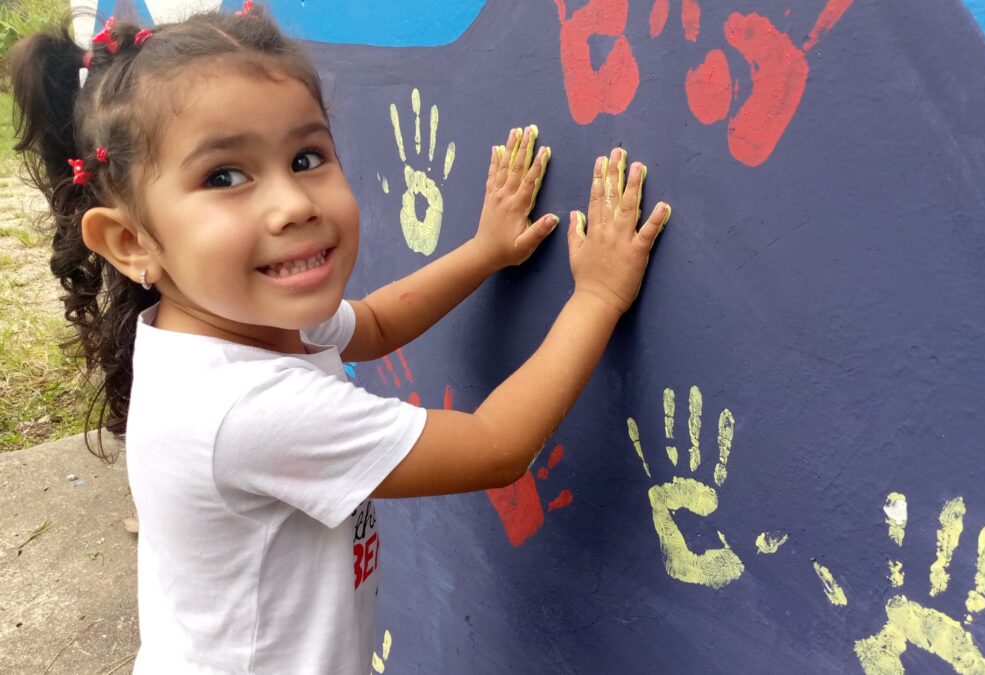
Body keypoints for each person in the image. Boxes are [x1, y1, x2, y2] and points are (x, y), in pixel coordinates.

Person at [9, 5, 670, 672]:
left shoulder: (225, 322)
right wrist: (598, 296)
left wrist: (483, 251)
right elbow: (496, 447)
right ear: (131, 241)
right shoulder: (246, 408)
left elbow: (377, 322)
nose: (294, 203)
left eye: (306, 156)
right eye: (225, 176)